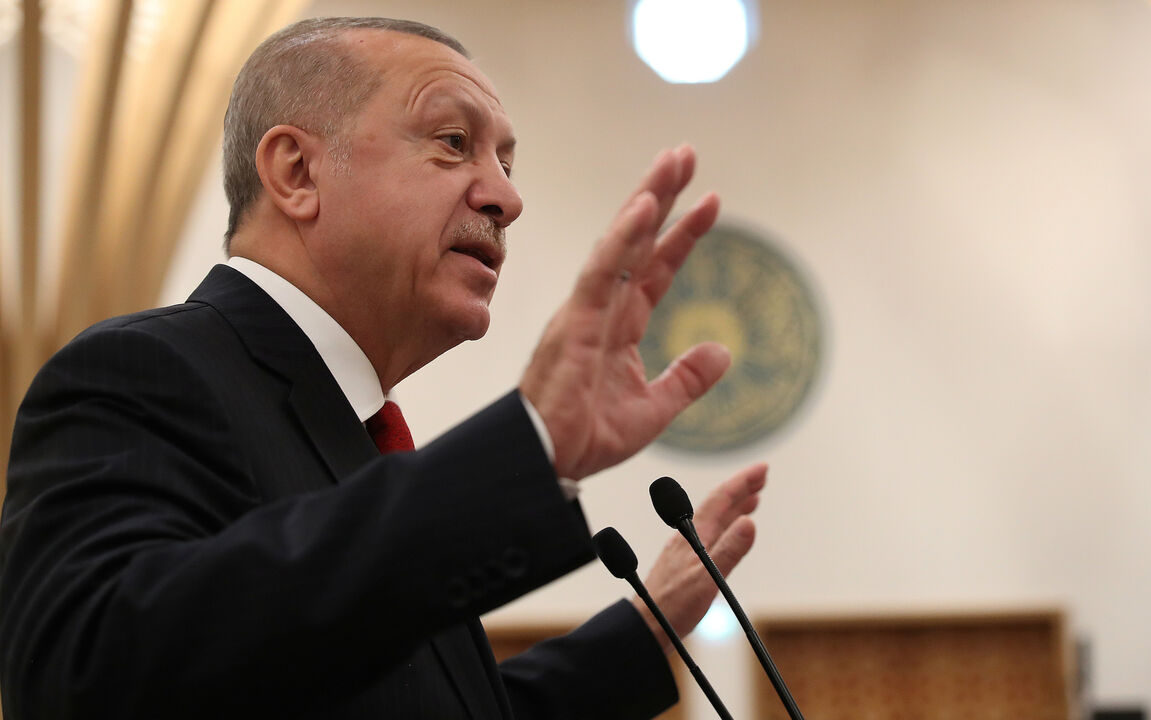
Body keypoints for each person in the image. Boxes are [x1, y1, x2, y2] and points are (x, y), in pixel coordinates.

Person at [0, 15, 768, 720]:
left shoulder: (359, 433)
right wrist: (524, 448)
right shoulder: (141, 373)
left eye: (505, 159)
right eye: (452, 142)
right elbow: (90, 675)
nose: (506, 196)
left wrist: (645, 628)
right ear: (296, 172)